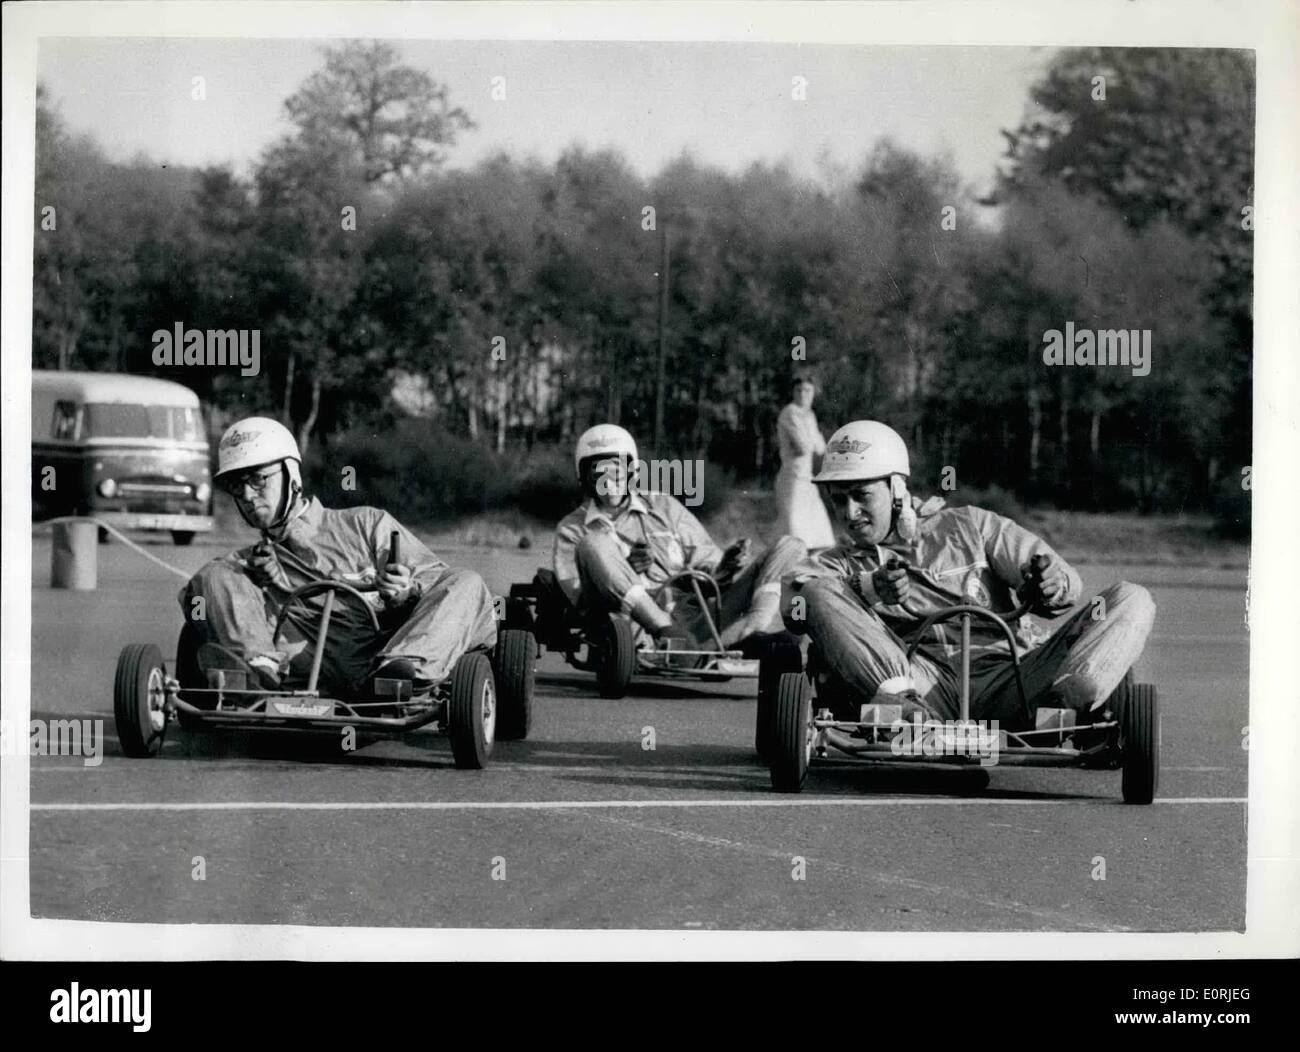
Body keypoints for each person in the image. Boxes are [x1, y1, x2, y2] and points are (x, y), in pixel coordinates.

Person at [781, 420, 1156, 726]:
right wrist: (869, 588)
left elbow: (1064, 583)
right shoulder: (838, 562)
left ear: (896, 488)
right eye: (838, 499)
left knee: (1130, 598)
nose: (848, 514)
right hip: (919, 685)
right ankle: (907, 715)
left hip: (1012, 679)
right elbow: (794, 607)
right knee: (815, 592)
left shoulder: (970, 525)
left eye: (860, 496)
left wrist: (1051, 584)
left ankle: (1066, 705)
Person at [179, 417, 497, 695]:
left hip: (380, 653)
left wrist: (405, 592)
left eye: (258, 479)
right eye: (237, 486)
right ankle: (256, 670)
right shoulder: (247, 566)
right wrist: (252, 591)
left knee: (467, 582)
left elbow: (438, 585)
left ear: (291, 474)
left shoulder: (366, 524)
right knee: (215, 574)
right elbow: (196, 612)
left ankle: (401, 673)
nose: (247, 495)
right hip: (293, 666)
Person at [551, 423, 807, 657]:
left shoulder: (663, 506)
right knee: (593, 543)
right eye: (600, 472)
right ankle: (664, 629)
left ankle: (752, 634)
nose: (610, 481)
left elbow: (708, 567)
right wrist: (625, 568)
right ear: (584, 476)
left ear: (632, 471)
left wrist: (726, 564)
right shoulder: (572, 529)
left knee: (791, 547)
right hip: (625, 630)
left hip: (694, 618)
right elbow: (582, 602)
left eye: (617, 470)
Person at [774, 375, 836, 550]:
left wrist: (810, 438)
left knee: (818, 537)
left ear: (813, 393)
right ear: (793, 393)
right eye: (798, 390)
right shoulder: (790, 412)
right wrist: (811, 439)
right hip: (792, 478)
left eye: (807, 390)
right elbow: (803, 447)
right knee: (794, 535)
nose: (802, 394)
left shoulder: (809, 415)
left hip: (806, 479)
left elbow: (819, 448)